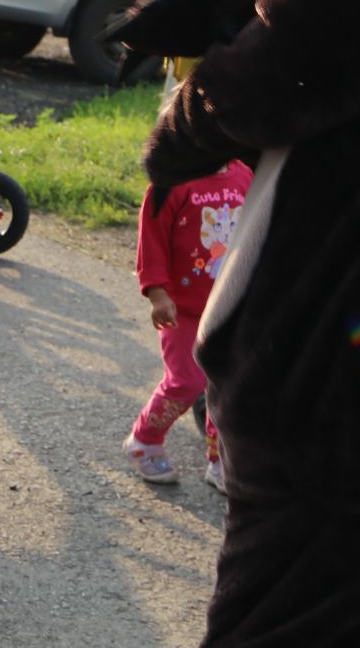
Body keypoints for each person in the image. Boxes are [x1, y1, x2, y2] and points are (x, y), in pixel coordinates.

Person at [123, 158, 250, 492]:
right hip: (182, 310)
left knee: (228, 383)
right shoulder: (172, 181)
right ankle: (144, 440)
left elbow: (253, 231)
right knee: (187, 382)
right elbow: (151, 238)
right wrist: (157, 293)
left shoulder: (243, 174)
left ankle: (219, 458)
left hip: (229, 302)